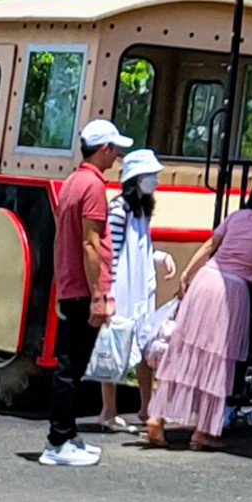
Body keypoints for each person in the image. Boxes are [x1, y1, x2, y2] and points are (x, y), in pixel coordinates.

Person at [146, 173, 252, 452]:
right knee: (218, 358)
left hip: (206, 278)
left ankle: (157, 416)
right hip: (232, 289)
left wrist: (187, 275)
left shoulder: (237, 217)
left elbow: (209, 246)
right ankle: (204, 430)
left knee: (183, 349)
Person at [41, 119, 125, 468]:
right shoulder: (93, 186)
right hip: (82, 288)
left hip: (70, 284)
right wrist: (98, 294)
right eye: (115, 148)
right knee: (70, 366)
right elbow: (92, 244)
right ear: (103, 149)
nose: (117, 154)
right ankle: (58, 440)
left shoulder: (73, 181)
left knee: (70, 365)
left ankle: (67, 433)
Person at [91, 147, 177, 431]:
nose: (156, 180)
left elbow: (141, 249)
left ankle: (146, 407)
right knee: (115, 348)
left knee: (143, 348)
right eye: (151, 175)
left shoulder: (140, 212)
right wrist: (109, 292)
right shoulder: (119, 211)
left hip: (141, 290)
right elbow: (112, 254)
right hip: (123, 291)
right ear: (137, 178)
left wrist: (161, 257)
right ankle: (109, 409)